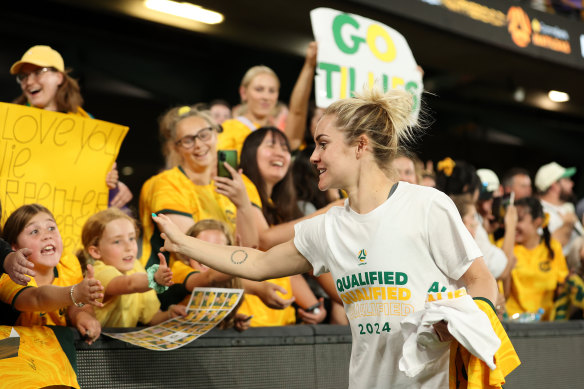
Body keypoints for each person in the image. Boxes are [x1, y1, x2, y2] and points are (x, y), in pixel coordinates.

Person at [152, 88, 508, 388]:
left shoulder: (426, 205)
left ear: (360, 145)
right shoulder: (327, 226)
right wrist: (183, 243)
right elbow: (258, 263)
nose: (313, 156)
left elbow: (480, 279)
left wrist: (468, 321)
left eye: (323, 144)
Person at [9, 45, 132, 209]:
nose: (29, 82)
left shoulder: (87, 124)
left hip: (68, 221)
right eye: (23, 76)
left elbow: (91, 179)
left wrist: (113, 186)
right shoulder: (10, 123)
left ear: (59, 77)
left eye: (38, 72)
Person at [139, 105, 261, 270]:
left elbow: (251, 249)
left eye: (204, 135)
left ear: (216, 134)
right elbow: (191, 253)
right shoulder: (165, 184)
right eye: (188, 140)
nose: (198, 144)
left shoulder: (241, 182)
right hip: (190, 285)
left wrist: (243, 204)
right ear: (176, 147)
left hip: (239, 280)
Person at [0, 204, 101, 343]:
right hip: (12, 352)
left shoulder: (68, 264)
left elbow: (76, 305)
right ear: (14, 247)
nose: (47, 235)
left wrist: (82, 315)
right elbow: (38, 298)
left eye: (51, 228)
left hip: (54, 352)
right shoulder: (10, 276)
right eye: (34, 231)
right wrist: (75, 293)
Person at [78, 208, 185, 327]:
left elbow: (152, 318)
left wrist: (170, 314)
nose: (129, 247)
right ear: (96, 251)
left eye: (131, 238)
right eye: (117, 241)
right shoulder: (98, 272)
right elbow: (129, 284)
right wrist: (153, 278)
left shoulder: (136, 267)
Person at [501, 197, 568, 321]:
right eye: (512, 220)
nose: (513, 225)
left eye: (519, 220)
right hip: (513, 324)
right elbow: (500, 292)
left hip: (548, 325)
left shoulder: (553, 248)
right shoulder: (505, 247)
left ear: (537, 222)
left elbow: (562, 287)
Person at [535, 162, 582, 255]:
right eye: (566, 180)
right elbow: (546, 247)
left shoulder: (566, 208)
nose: (572, 184)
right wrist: (568, 224)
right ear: (554, 185)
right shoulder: (538, 211)